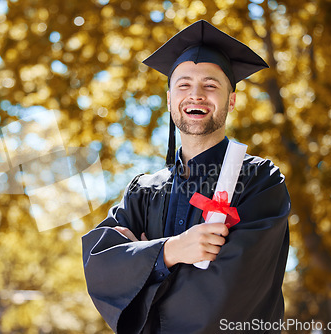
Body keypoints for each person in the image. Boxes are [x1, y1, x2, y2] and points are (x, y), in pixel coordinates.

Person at [81, 20, 290, 333]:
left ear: (231, 100)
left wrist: (143, 259)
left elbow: (232, 291)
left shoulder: (260, 181)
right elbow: (100, 264)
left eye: (210, 85)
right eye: (183, 85)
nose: (196, 94)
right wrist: (171, 251)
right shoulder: (143, 192)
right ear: (168, 101)